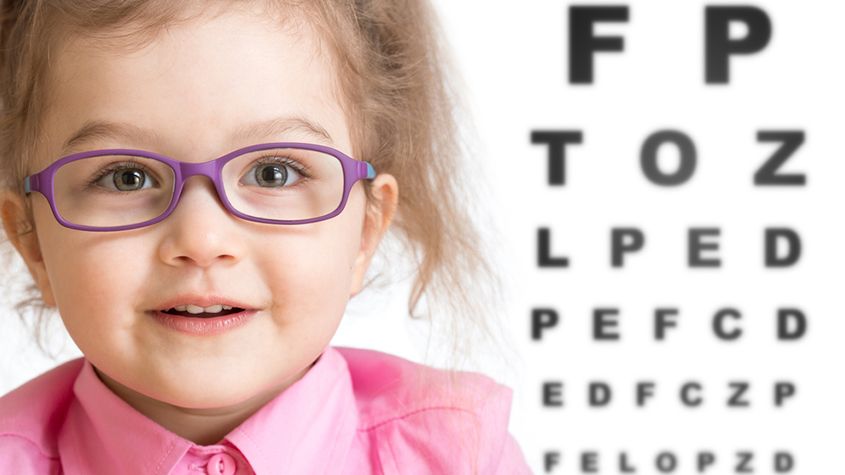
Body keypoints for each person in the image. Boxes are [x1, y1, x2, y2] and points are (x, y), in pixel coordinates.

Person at [0, 0, 530, 473]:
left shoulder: (461, 456)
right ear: (32, 241)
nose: (203, 240)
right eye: (126, 177)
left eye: (273, 173)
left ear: (367, 230)